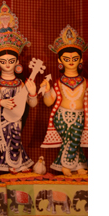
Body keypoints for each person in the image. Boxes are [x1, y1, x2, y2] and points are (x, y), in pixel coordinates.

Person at [0, 3, 38, 175]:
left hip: (16, 118)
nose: (7, 65)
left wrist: (33, 92)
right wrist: (0, 102)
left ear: (17, 62)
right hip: (1, 119)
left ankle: (17, 163)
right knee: (8, 140)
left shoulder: (20, 83)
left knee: (16, 138)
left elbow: (32, 104)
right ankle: (12, 163)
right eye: (3, 62)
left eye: (11, 61)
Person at [39, 26, 88, 176]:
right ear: (60, 60)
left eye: (74, 59)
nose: (71, 62)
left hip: (80, 116)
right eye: (67, 59)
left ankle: (73, 166)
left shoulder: (85, 82)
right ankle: (69, 166)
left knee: (74, 140)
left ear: (81, 59)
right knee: (72, 139)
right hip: (61, 116)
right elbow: (49, 102)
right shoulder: (59, 82)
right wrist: (47, 90)